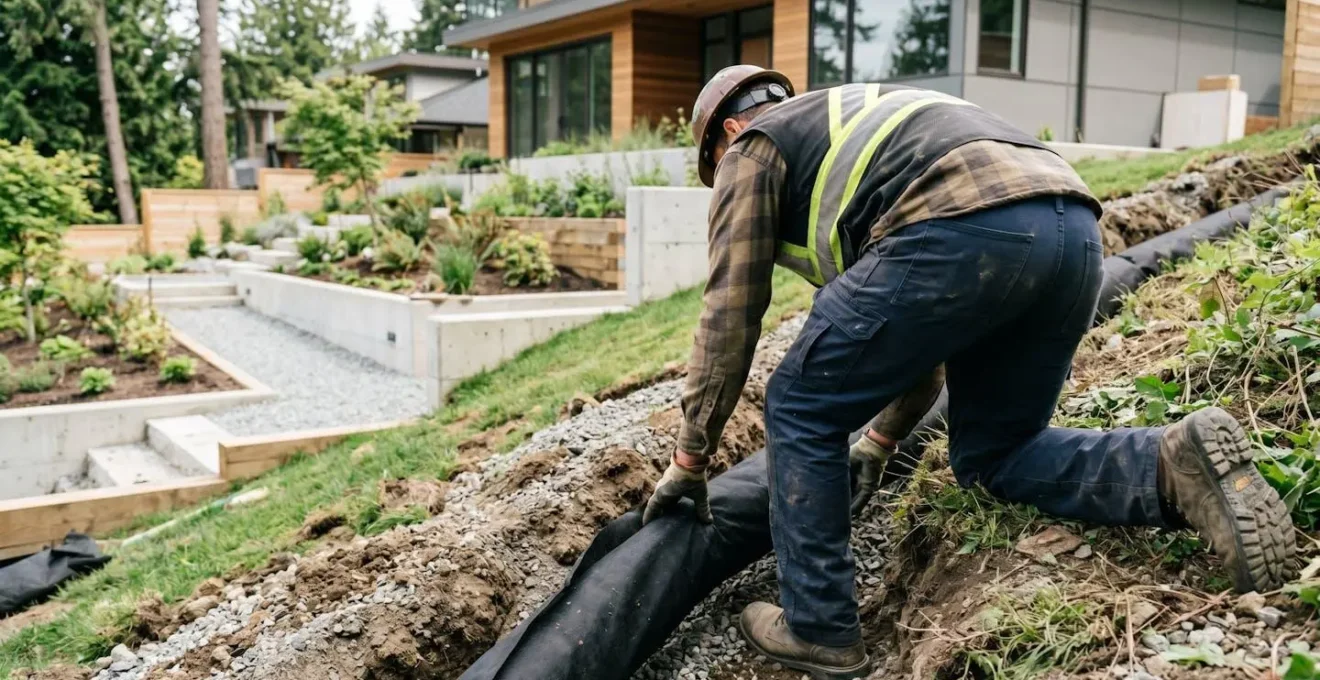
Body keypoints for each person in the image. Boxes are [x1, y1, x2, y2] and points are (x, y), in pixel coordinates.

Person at [641, 65, 1297, 679]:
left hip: (958, 227)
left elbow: (729, 315)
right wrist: (880, 442)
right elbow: (908, 339)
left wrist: (692, 455)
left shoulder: (755, 148)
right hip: (1070, 228)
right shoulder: (858, 124)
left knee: (798, 402)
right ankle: (1166, 465)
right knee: (997, 452)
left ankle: (819, 626)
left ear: (727, 131)